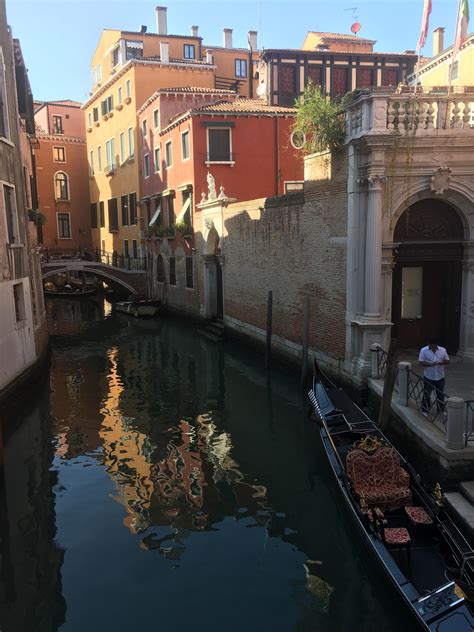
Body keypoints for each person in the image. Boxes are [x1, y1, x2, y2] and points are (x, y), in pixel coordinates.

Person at [418, 337, 450, 416]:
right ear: (429, 345)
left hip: (440, 376)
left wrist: (441, 362)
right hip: (429, 376)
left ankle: (441, 409)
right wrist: (430, 364)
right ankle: (425, 409)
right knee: (427, 393)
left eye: (434, 346)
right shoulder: (423, 350)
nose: (433, 348)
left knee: (440, 393)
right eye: (431, 346)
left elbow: (447, 361)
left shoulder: (443, 350)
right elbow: (421, 362)